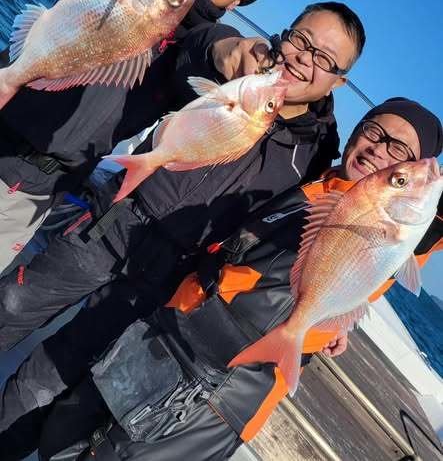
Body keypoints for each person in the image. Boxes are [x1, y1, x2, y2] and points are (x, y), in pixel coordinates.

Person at [0, 0, 366, 454]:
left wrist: (336, 313)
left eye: (323, 59)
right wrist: (224, 51)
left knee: (51, 377)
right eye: (302, 40)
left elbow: (330, 234)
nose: (303, 59)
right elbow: (197, 46)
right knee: (10, 305)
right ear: (285, 32)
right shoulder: (244, 64)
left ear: (338, 81)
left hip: (167, 277)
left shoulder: (317, 155)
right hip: (114, 222)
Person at [2, 98, 440, 461]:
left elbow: (378, 255)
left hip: (224, 391)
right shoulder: (314, 182)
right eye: (374, 132)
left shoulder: (413, 228)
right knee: (62, 434)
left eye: (399, 152)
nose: (379, 150)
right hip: (166, 332)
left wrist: (334, 318)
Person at [0, 0, 277, 272]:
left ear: (237, 2)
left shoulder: (194, 45)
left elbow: (203, 54)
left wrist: (228, 55)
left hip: (27, 190)